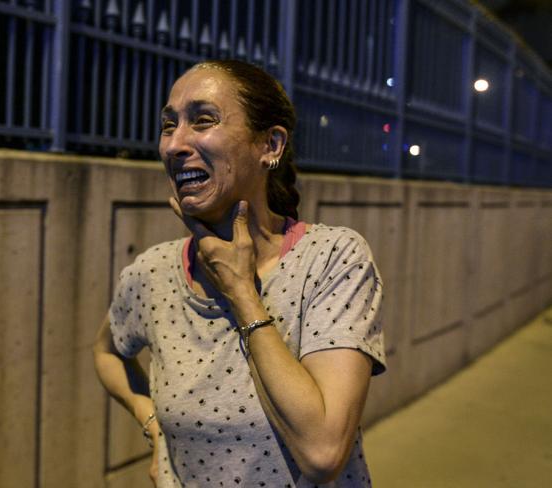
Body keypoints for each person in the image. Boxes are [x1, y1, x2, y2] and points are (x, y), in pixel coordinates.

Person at [93, 59, 386, 487]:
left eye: (203, 120)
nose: (175, 144)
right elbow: (106, 351)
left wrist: (240, 291)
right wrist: (153, 423)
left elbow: (323, 454)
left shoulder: (332, 260)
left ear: (270, 145)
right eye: (168, 125)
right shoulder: (153, 272)